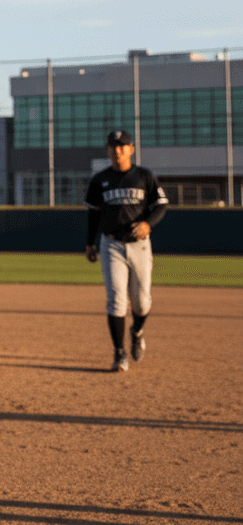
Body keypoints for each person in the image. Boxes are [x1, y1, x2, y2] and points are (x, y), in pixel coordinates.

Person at [85, 129, 168, 372]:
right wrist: (90, 243)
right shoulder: (100, 180)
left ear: (131, 149)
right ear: (108, 151)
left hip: (139, 245)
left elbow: (161, 205)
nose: (117, 151)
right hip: (111, 244)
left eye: (122, 147)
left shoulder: (144, 176)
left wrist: (147, 223)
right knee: (116, 300)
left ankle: (137, 330)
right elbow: (93, 213)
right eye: (113, 147)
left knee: (141, 303)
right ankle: (119, 353)